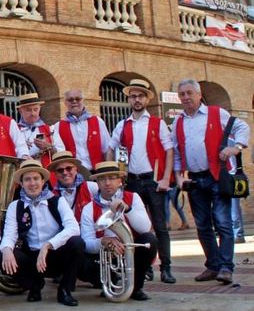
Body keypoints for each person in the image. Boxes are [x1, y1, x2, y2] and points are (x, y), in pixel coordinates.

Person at [172, 78, 249, 285]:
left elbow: (241, 127)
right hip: (195, 180)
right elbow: (178, 152)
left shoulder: (217, 113)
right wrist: (179, 176)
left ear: (199, 95)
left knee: (223, 222)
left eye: (190, 93)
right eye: (182, 94)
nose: (186, 97)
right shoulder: (178, 122)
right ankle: (213, 266)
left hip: (217, 176)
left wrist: (237, 147)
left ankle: (226, 267)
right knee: (203, 225)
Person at [106, 78, 176, 283]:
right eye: (133, 96)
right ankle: (145, 266)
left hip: (153, 181)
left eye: (140, 96)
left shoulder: (158, 123)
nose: (136, 100)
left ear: (147, 99)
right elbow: (111, 148)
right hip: (132, 182)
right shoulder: (122, 124)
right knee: (136, 226)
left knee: (160, 226)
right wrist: (113, 174)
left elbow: (169, 151)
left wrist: (165, 178)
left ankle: (166, 267)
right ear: (129, 100)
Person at [0, 160, 83, 306]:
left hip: (54, 254)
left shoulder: (58, 201)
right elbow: (9, 234)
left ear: (43, 180)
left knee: (77, 243)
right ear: (21, 183)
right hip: (31, 257)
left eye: (36, 178)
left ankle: (64, 289)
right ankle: (34, 285)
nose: (32, 183)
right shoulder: (15, 206)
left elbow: (73, 228)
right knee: (3, 254)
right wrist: (6, 250)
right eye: (27, 179)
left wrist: (47, 246)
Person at [80, 161, 157, 301]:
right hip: (104, 255)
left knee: (149, 240)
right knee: (80, 257)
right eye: (102, 179)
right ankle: (110, 282)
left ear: (120, 181)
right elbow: (87, 242)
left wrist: (128, 210)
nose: (107, 183)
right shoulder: (88, 208)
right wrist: (103, 241)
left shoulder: (133, 198)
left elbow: (144, 228)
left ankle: (136, 287)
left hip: (130, 252)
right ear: (97, 182)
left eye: (112, 178)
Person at [53, 89, 110, 172]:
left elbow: (107, 149)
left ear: (83, 101)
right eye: (70, 100)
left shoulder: (97, 121)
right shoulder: (58, 126)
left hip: (97, 171)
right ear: (65, 103)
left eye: (78, 99)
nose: (74, 102)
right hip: (73, 174)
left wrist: (108, 170)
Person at [16, 93, 55, 183]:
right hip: (22, 176)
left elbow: (60, 152)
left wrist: (48, 146)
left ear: (39, 109)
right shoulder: (14, 130)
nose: (33, 113)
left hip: (45, 175)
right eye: (28, 110)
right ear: (20, 111)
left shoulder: (50, 129)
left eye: (35, 109)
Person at [48, 151, 98, 222]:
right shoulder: (51, 197)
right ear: (55, 174)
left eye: (68, 168)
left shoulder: (91, 187)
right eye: (60, 170)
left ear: (76, 169)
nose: (65, 172)